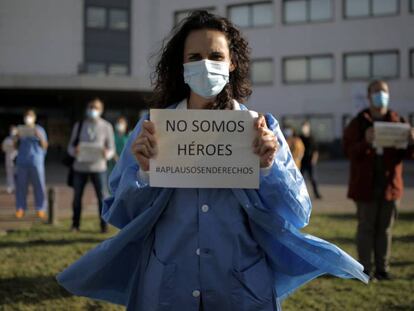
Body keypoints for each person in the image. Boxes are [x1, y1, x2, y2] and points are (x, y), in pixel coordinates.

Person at [58, 11, 367, 310]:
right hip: (167, 286)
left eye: (216, 57)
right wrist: (145, 172)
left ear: (232, 63)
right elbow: (122, 214)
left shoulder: (260, 128)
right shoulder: (152, 131)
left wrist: (267, 167)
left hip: (241, 289)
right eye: (194, 57)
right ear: (181, 65)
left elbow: (297, 213)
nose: (206, 66)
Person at [343, 80, 414, 280]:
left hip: (390, 186)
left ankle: (383, 269)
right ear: (368, 96)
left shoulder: (396, 121)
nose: (381, 96)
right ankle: (365, 270)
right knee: (366, 229)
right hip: (365, 187)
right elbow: (348, 151)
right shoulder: (358, 123)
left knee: (385, 229)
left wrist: (411, 142)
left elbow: (408, 155)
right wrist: (365, 140)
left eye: (384, 92)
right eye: (377, 92)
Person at [67, 98, 115, 233]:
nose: (92, 110)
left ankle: (103, 225)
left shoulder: (107, 126)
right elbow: (70, 146)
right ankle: (75, 224)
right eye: (90, 107)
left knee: (102, 197)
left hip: (99, 167)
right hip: (80, 167)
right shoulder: (79, 125)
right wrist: (74, 151)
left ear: (101, 110)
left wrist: (107, 154)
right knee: (77, 197)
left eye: (96, 107)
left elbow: (111, 149)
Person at [14, 110, 48, 219]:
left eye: (30, 116)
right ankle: (20, 208)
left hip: (36, 161)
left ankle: (40, 208)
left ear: (34, 118)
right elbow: (15, 147)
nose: (28, 118)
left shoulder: (39, 129)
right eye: (26, 116)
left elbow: (45, 145)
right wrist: (16, 137)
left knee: (39, 186)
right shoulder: (20, 129)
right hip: (22, 161)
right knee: (21, 186)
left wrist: (39, 136)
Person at [300, 121, 322, 199]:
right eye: (303, 127)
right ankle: (299, 193)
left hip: (310, 161)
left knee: (313, 178)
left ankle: (316, 194)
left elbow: (315, 150)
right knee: (300, 178)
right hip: (302, 161)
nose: (304, 129)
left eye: (305, 127)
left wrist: (314, 159)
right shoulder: (300, 138)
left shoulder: (312, 138)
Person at [1, 125, 18, 194]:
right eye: (11, 130)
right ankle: (10, 187)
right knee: (9, 174)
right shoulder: (7, 139)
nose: (12, 132)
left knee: (17, 174)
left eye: (14, 130)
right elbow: (3, 148)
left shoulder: (18, 139)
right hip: (8, 158)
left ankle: (17, 187)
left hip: (17, 158)